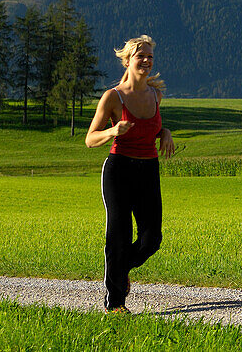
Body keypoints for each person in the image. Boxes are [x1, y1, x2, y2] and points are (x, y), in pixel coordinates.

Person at [85, 35, 174, 313]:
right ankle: (116, 304)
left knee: (151, 239)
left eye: (150, 57)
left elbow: (151, 127)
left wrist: (166, 132)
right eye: (140, 56)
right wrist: (112, 130)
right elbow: (90, 138)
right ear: (127, 60)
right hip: (119, 170)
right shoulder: (113, 97)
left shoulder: (155, 95)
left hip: (148, 169)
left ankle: (120, 270)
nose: (146, 61)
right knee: (118, 236)